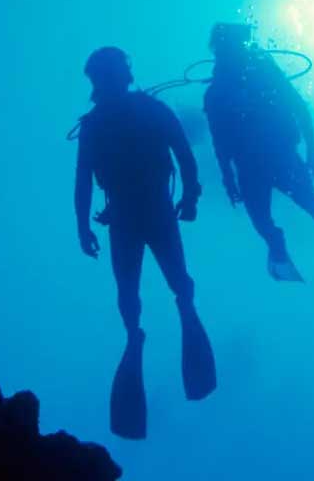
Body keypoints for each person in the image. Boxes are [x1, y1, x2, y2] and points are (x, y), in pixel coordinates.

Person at [74, 46, 216, 439]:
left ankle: (139, 331)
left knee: (141, 287)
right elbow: (184, 158)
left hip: (134, 215)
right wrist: (189, 196)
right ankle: (160, 320)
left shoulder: (98, 121)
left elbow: (84, 181)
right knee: (159, 284)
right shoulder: (142, 112)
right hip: (146, 213)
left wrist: (82, 226)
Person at [203, 24, 314, 314]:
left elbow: (297, 107)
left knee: (299, 207)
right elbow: (220, 140)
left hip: (273, 156)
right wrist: (227, 178)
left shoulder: (256, 75)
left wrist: (312, 147)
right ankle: (293, 242)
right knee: (277, 213)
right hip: (264, 159)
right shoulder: (222, 90)